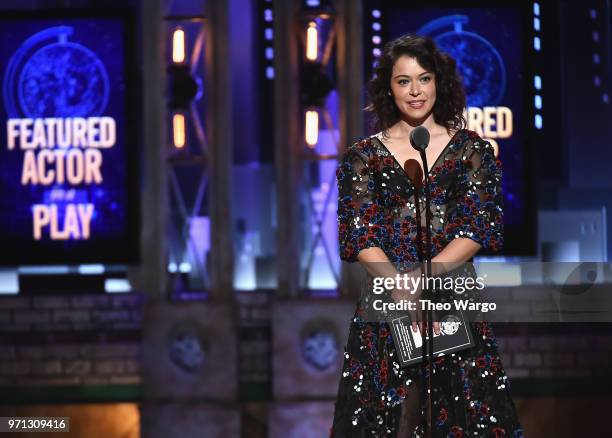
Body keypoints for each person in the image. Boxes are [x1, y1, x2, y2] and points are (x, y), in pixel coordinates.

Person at [330, 34, 524, 437]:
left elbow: (479, 225)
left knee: (463, 419)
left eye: (424, 78)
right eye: (404, 81)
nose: (415, 90)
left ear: (440, 83)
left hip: (452, 300)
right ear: (389, 88)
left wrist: (426, 277)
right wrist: (399, 285)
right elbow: (359, 233)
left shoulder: (472, 150)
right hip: (388, 307)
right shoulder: (362, 157)